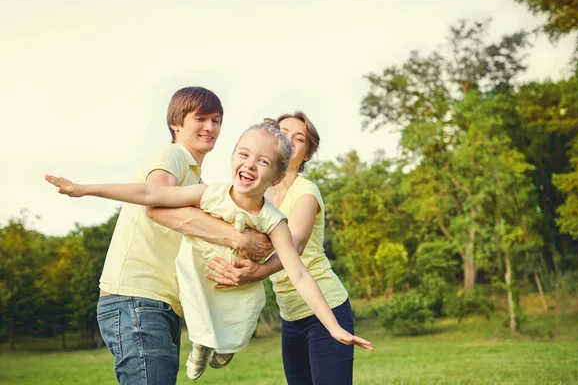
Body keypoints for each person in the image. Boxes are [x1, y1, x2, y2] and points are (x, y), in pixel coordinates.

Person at [45, 120, 373, 380]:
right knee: (199, 298)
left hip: (241, 287)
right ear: (232, 156)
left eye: (263, 161)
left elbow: (299, 273)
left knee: (250, 305)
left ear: (275, 177)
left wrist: (333, 327)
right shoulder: (209, 193)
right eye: (243, 154)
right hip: (204, 275)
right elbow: (149, 194)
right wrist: (84, 189)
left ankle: (223, 346)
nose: (250, 165)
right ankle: (201, 347)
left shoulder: (276, 221)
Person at [65, 87, 272, 385]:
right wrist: (236, 238)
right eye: (200, 118)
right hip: (136, 297)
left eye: (216, 120)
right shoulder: (171, 154)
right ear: (176, 123)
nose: (210, 127)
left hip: (163, 305)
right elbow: (157, 206)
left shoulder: (199, 182)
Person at [207, 112, 358, 384]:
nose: (288, 138)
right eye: (283, 131)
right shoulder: (258, 195)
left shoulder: (306, 191)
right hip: (290, 316)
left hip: (326, 306)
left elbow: (296, 244)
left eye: (298, 138)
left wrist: (259, 271)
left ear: (308, 153)